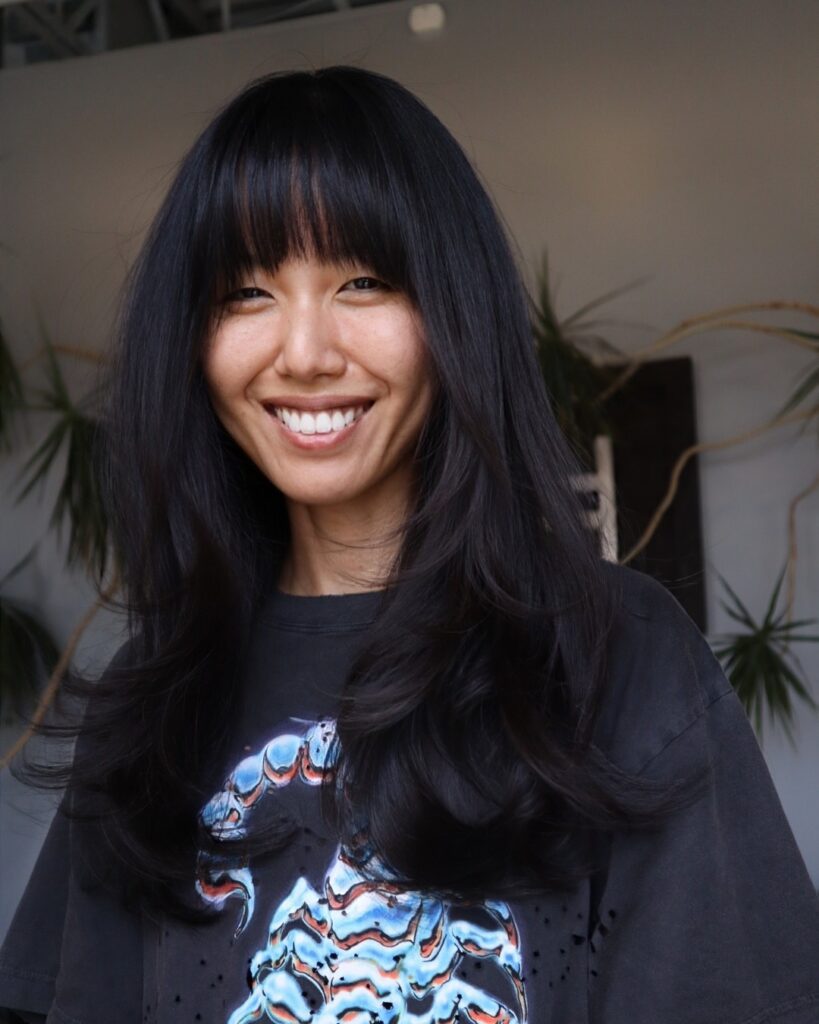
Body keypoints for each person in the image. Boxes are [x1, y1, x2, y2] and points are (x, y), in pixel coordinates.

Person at [1, 65, 818, 1024]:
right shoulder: (156, 696)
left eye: (363, 281)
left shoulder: (612, 653)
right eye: (244, 293)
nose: (303, 353)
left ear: (451, 313)